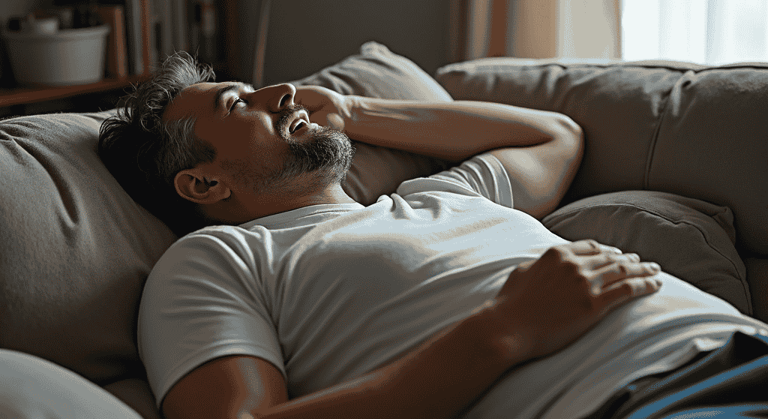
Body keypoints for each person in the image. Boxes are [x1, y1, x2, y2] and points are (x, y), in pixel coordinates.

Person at [99, 53, 768, 419]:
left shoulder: (438, 194)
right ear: (204, 184)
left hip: (744, 348)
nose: (282, 90)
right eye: (236, 103)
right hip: (644, 400)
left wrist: (356, 110)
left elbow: (555, 136)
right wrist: (503, 329)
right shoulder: (217, 261)